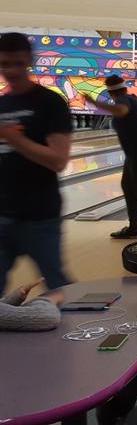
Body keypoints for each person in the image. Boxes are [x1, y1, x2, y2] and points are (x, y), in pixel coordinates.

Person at [0, 32, 73, 294]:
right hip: (3, 215)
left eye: (18, 63)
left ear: (30, 61)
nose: (12, 71)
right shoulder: (2, 103)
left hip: (40, 216)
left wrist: (13, 138)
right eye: (5, 64)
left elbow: (58, 161)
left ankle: (81, 332)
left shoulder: (50, 103)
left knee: (57, 284)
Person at [84, 74, 137, 239]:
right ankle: (133, 229)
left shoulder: (124, 101)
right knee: (129, 188)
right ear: (124, 87)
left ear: (110, 93)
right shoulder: (135, 100)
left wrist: (94, 102)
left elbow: (121, 111)